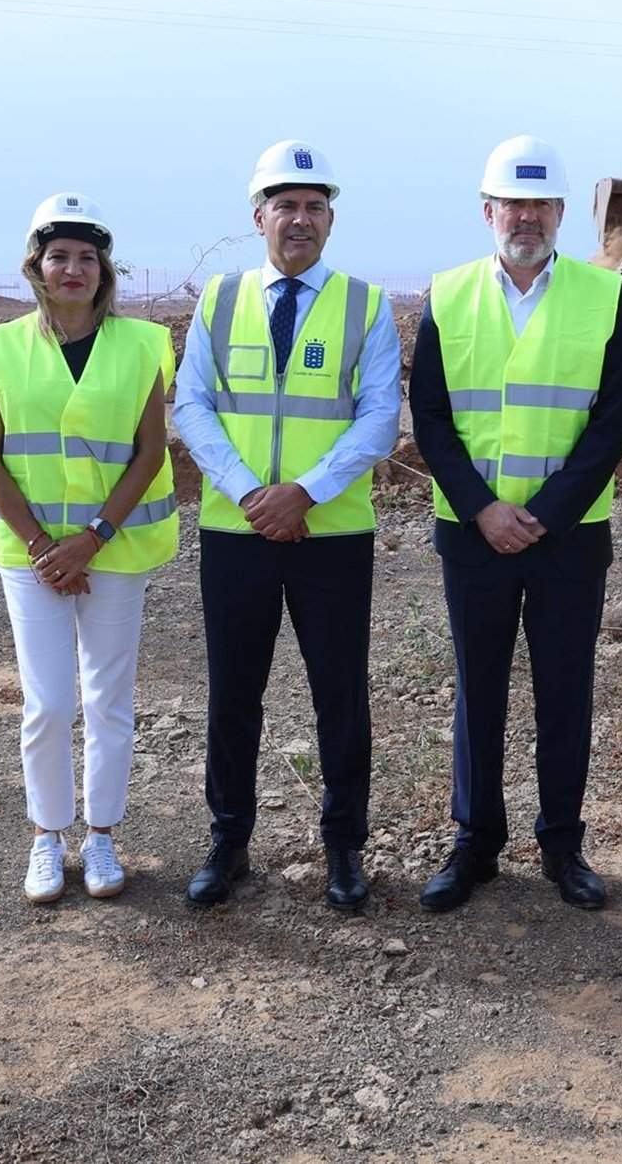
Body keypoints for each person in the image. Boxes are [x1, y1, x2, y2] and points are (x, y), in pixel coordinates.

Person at [170, 140, 401, 913]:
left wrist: (304, 492)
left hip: (330, 536)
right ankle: (228, 841)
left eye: (314, 207)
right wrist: (250, 494)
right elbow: (192, 405)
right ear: (257, 216)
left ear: (331, 219)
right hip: (237, 533)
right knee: (234, 695)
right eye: (285, 205)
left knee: (340, 695)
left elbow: (378, 419)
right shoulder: (220, 299)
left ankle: (344, 848)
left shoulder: (365, 305)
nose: (299, 219)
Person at [407, 135, 622, 912]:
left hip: (567, 539)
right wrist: (484, 509)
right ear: (488, 211)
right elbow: (431, 417)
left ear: (561, 212)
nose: (526, 217)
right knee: (478, 693)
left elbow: (613, 420)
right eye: (513, 203)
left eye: (540, 204)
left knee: (565, 691)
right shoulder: (448, 295)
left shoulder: (604, 295)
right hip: (475, 536)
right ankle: (474, 843)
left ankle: (563, 846)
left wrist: (543, 515)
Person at [0, 192, 177, 905]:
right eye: (59, 256)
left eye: (88, 257)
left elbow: (150, 453)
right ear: (37, 265)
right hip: (32, 558)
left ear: (104, 270)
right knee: (50, 703)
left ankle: (102, 836)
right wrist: (42, 546)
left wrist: (91, 540)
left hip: (114, 550)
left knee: (108, 701)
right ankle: (47, 837)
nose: (74, 268)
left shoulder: (143, 345)